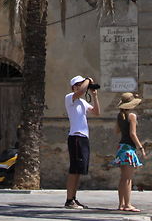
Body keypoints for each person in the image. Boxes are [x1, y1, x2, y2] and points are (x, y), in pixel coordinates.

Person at [64, 75, 99, 209]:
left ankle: (73, 198)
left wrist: (95, 95)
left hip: (83, 138)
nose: (82, 85)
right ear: (74, 87)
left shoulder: (82, 102)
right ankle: (68, 200)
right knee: (74, 169)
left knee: (79, 170)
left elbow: (96, 112)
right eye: (79, 84)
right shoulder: (69, 98)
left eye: (82, 83)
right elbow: (81, 92)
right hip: (76, 137)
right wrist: (89, 80)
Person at [114, 92, 145, 212]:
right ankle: (128, 204)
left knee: (123, 178)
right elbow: (133, 134)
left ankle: (121, 204)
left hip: (121, 147)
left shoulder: (120, 116)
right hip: (129, 148)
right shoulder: (132, 116)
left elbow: (116, 131)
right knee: (128, 178)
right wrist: (141, 147)